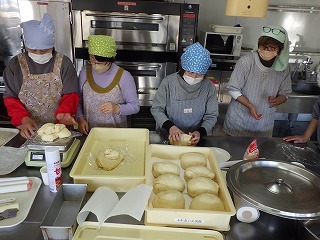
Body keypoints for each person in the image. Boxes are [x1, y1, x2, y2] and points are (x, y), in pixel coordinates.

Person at [3, 13, 79, 139]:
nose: (38, 53)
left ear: (52, 45)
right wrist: (23, 118)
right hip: (28, 130)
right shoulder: (15, 65)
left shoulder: (64, 63)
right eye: (33, 50)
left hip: (59, 130)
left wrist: (64, 113)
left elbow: (71, 95)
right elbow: (11, 98)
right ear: (26, 46)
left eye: (44, 50)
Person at [223, 25, 292, 137]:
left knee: (260, 153)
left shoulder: (284, 68)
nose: (266, 50)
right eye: (263, 47)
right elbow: (232, 89)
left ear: (280, 50)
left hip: (264, 125)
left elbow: (285, 93)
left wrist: (278, 100)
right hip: (238, 123)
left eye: (272, 48)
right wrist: (250, 105)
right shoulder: (246, 62)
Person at [151, 42, 218, 146]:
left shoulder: (209, 87)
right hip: (167, 137)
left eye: (200, 74)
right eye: (190, 72)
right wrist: (171, 127)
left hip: (194, 140)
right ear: (183, 66)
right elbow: (156, 109)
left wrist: (200, 132)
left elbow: (211, 116)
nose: (194, 77)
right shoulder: (168, 83)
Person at [76, 35, 140, 135]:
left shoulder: (124, 77)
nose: (96, 66)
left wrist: (116, 108)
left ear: (112, 59)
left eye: (101, 63)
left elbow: (135, 106)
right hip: (90, 134)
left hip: (117, 135)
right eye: (93, 61)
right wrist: (80, 119)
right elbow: (78, 101)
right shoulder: (84, 73)